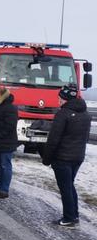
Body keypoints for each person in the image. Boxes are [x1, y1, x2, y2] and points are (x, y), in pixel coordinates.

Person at [41, 84, 91, 228]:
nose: (58, 100)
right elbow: (85, 138)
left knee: (66, 188)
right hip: (78, 157)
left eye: (60, 97)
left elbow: (53, 139)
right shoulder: (86, 114)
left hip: (62, 158)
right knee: (70, 186)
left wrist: (46, 159)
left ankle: (69, 218)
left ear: (64, 99)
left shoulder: (62, 114)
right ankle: (74, 215)